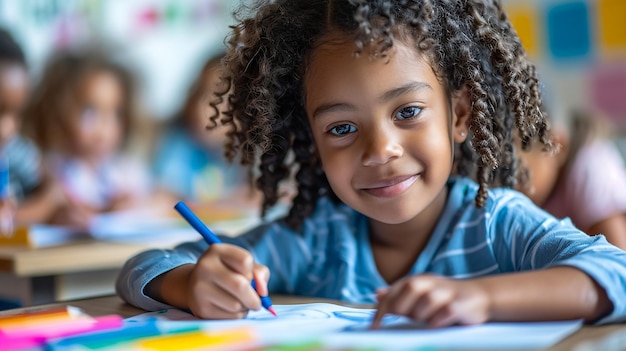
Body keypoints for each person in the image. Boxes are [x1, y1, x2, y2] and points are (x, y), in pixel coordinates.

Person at [116, 0, 626, 328]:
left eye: (407, 112)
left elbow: (616, 271)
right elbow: (146, 266)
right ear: (312, 141)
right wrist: (191, 282)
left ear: (460, 115)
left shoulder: (497, 224)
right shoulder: (313, 239)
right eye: (341, 128)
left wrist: (484, 299)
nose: (380, 149)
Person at [22, 49, 153, 228]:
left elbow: (158, 199)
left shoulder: (124, 169)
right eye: (90, 112)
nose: (103, 129)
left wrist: (134, 204)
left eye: (116, 114)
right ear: (59, 111)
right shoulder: (47, 168)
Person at [151, 50, 257, 207]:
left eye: (221, 102)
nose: (204, 110)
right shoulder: (179, 144)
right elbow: (164, 196)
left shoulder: (250, 151)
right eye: (202, 94)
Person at [517, 102, 626, 251]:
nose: (504, 184)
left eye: (511, 171)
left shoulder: (590, 167)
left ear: (556, 146)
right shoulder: (543, 192)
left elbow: (618, 260)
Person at [0, 28, 69, 231]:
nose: (8, 129)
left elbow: (55, 192)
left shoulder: (13, 151)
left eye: (17, 113)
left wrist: (17, 215)